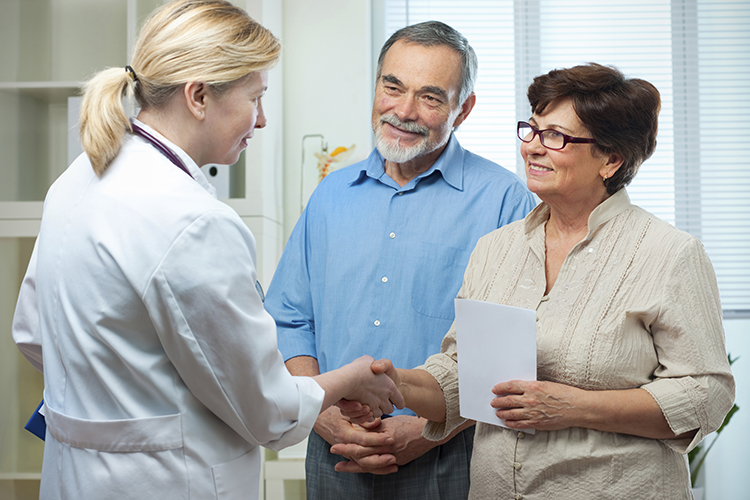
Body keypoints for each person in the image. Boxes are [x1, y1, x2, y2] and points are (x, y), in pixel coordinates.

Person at [10, 1, 403, 499]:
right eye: (255, 98)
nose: (260, 121)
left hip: (73, 476)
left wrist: (113, 401)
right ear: (198, 96)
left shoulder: (77, 180)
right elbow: (267, 411)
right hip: (166, 483)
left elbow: (31, 334)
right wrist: (348, 379)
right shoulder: (192, 221)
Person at [359, 62, 737, 499]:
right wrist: (394, 384)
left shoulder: (669, 253)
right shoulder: (494, 249)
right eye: (532, 130)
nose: (533, 148)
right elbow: (462, 375)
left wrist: (574, 407)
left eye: (555, 136)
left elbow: (706, 394)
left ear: (611, 160)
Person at [263, 21, 536, 499]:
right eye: (392, 87)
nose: (403, 111)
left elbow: (505, 355)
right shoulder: (330, 196)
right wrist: (321, 413)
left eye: (430, 97)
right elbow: (288, 319)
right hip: (333, 450)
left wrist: (429, 430)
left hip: (447, 456)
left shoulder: (504, 201)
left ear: (463, 108)